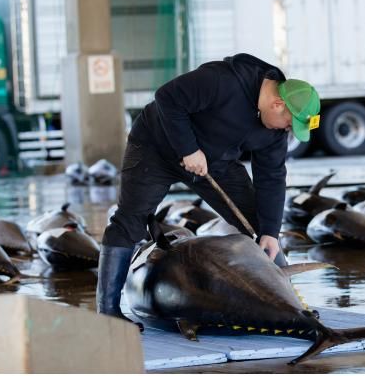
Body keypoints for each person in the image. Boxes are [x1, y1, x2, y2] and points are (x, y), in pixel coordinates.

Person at [97, 53, 321, 323]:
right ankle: (108, 313)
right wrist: (188, 149)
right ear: (277, 104)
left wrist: (271, 232)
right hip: (155, 149)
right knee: (129, 222)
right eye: (289, 124)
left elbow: (272, 176)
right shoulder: (222, 81)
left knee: (259, 226)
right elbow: (167, 98)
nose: (288, 131)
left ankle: (291, 308)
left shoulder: (273, 133)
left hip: (215, 163)